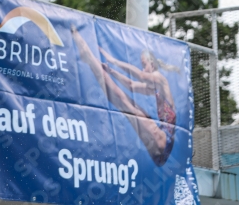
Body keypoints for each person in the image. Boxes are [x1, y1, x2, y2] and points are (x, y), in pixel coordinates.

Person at [71, 25, 179, 166]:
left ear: (152, 64)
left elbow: (140, 76)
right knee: (123, 102)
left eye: (144, 64)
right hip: (160, 147)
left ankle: (90, 58)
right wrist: (112, 71)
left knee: (126, 104)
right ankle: (92, 61)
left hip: (163, 140)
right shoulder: (154, 87)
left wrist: (114, 61)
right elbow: (131, 85)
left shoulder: (159, 78)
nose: (142, 69)